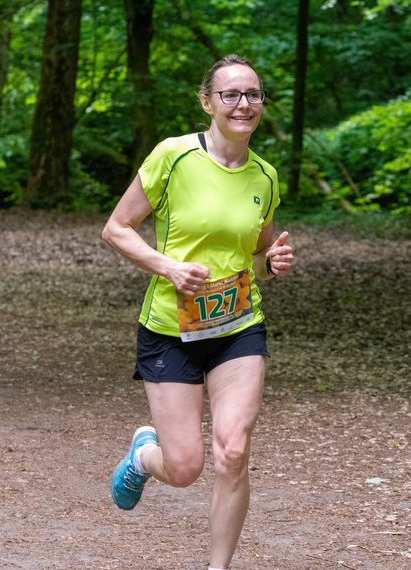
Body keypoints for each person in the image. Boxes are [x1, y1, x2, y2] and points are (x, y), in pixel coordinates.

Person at [102, 54, 293, 570]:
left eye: (253, 94)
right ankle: (145, 454)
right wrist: (167, 267)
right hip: (170, 330)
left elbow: (254, 255)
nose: (243, 104)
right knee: (184, 467)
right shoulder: (174, 156)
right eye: (230, 94)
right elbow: (116, 228)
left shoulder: (266, 176)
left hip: (238, 328)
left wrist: (271, 264)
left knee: (232, 451)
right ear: (207, 102)